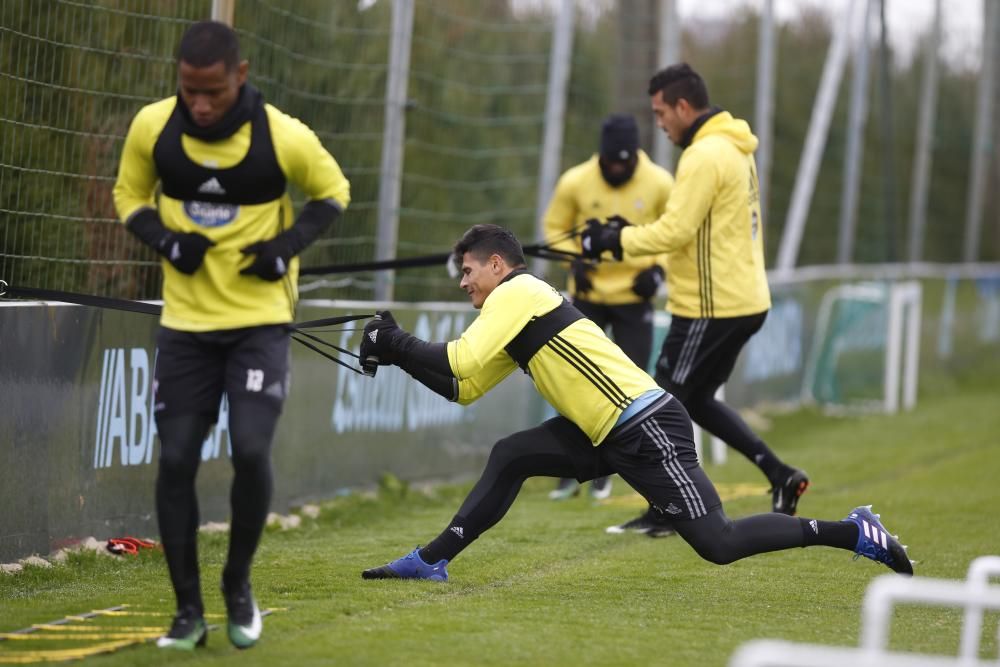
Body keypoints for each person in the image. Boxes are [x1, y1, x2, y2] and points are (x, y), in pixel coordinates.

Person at [356, 224, 912, 582]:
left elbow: (459, 360)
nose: (464, 284)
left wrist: (394, 342)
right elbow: (464, 387)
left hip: (645, 426)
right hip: (607, 431)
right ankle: (432, 560)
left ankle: (852, 532)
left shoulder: (517, 293)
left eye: (469, 271)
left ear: (497, 265)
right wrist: (399, 352)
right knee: (511, 455)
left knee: (719, 543)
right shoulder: (514, 306)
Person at [112, 21, 350, 650]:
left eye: (213, 91)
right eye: (190, 90)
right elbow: (129, 195)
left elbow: (333, 193)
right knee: (178, 461)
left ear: (239, 76)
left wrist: (283, 248)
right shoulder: (153, 128)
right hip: (186, 328)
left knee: (249, 450)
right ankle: (187, 610)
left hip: (258, 325)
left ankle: (238, 585)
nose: (201, 103)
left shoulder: (282, 136)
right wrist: (165, 241)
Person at [581, 63, 808, 536]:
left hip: (710, 307)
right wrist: (625, 233)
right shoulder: (733, 146)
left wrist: (614, 243)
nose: (659, 124)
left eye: (662, 113)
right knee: (698, 400)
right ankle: (780, 475)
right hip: (743, 301)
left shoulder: (703, 156)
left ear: (684, 107)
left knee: (655, 403)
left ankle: (670, 509)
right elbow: (693, 228)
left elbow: (677, 230)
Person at [541, 113, 673, 506]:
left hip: (634, 298)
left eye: (623, 161)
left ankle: (610, 470)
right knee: (574, 383)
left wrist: (657, 269)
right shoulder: (575, 181)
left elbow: (676, 231)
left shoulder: (660, 183)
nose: (616, 168)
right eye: (609, 162)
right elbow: (554, 229)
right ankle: (568, 469)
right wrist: (573, 261)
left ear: (635, 155)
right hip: (588, 296)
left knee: (631, 386)